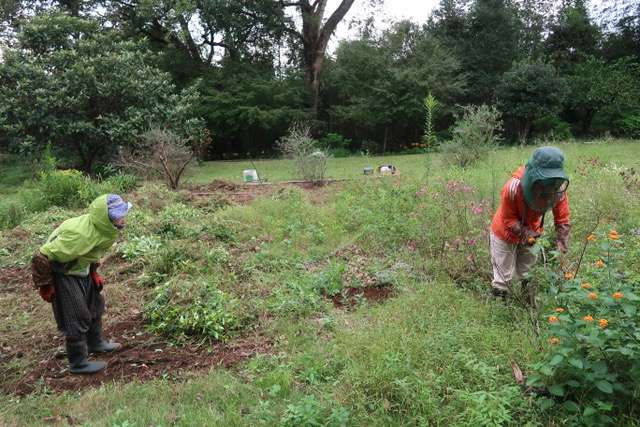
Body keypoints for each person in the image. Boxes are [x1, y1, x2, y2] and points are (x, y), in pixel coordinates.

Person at [31, 194, 132, 374]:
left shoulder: (102, 229)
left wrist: (93, 270)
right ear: (105, 218)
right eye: (118, 215)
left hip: (81, 269)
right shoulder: (79, 235)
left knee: (94, 305)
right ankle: (78, 363)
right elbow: (41, 256)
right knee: (75, 314)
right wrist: (45, 284)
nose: (123, 218)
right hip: (64, 274)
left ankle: (95, 343)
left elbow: (91, 251)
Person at [490, 146, 571, 299]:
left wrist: (560, 244)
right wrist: (526, 233)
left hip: (533, 232)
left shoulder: (558, 188)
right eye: (544, 179)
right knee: (503, 275)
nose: (547, 184)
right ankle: (500, 310)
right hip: (504, 232)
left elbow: (563, 219)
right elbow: (508, 218)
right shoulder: (513, 186)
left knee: (529, 272)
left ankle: (528, 303)